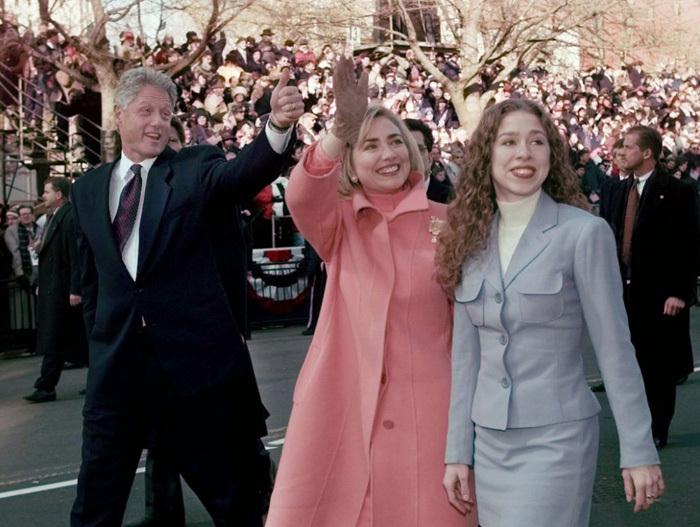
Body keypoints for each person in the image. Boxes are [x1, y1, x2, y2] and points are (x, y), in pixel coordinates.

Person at [69, 66, 303, 527]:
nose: (158, 123)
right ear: (119, 114)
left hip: (192, 375)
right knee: (94, 506)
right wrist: (99, 344)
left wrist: (276, 126)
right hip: (116, 377)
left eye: (166, 113)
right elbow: (95, 278)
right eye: (146, 112)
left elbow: (240, 174)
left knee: (233, 504)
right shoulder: (87, 189)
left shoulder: (194, 168)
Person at [266, 57, 476, 527]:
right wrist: (341, 128)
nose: (388, 154)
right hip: (340, 412)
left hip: (433, 418)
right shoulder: (339, 222)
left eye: (396, 141)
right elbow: (302, 194)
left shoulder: (451, 222)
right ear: (351, 164)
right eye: (370, 145)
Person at [438, 99, 663, 527]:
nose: (524, 153)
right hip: (489, 445)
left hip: (558, 440)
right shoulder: (468, 239)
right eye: (508, 142)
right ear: (486, 155)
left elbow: (615, 349)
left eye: (536, 142)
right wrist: (457, 452)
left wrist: (638, 449)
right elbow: (466, 361)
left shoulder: (584, 233)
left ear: (551, 155)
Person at [600, 125, 699, 449]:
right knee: (628, 364)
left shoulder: (677, 191)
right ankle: (636, 428)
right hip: (624, 293)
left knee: (659, 367)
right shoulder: (618, 190)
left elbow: (687, 244)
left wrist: (680, 292)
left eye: (629, 146)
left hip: (660, 294)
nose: (622, 151)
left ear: (647, 153)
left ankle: (658, 428)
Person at [24, 177, 87, 403]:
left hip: (63, 289)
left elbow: (75, 255)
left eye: (47, 191)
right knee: (74, 338)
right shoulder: (55, 217)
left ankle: (46, 386)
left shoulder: (68, 217)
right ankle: (95, 382)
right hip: (56, 288)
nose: (43, 196)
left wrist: (75, 289)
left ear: (59, 195)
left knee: (56, 338)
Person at [404, 117, 453, 203]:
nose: (411, 156)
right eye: (404, 149)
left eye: (418, 149)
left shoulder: (451, 200)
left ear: (430, 158)